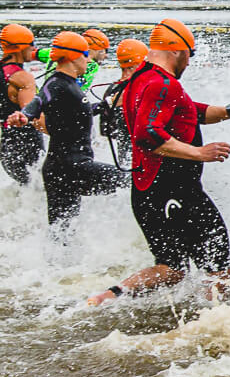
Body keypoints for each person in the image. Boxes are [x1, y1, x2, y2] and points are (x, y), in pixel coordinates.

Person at [87, 19, 230, 306]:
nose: (189, 62)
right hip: (175, 191)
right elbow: (147, 135)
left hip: (147, 191)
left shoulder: (140, 78)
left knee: (171, 269)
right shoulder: (162, 83)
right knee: (218, 264)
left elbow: (188, 111)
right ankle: (217, 324)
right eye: (190, 54)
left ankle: (104, 298)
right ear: (178, 51)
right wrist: (199, 153)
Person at [5, 32, 123, 227]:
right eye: (85, 54)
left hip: (66, 168)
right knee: (129, 183)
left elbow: (80, 113)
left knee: (63, 235)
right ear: (73, 56)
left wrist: (107, 104)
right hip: (70, 167)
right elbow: (39, 100)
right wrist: (24, 115)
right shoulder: (56, 83)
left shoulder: (72, 85)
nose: (88, 59)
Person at [2, 23, 44, 185]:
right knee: (38, 193)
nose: (34, 49)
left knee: (25, 190)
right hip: (27, 145)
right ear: (21, 47)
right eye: (32, 44)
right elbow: (32, 116)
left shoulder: (2, 72)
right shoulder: (22, 78)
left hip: (7, 148)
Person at [97, 38, 147, 170]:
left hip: (123, 159)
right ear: (140, 62)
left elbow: (105, 131)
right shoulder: (141, 89)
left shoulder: (111, 90)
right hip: (143, 159)